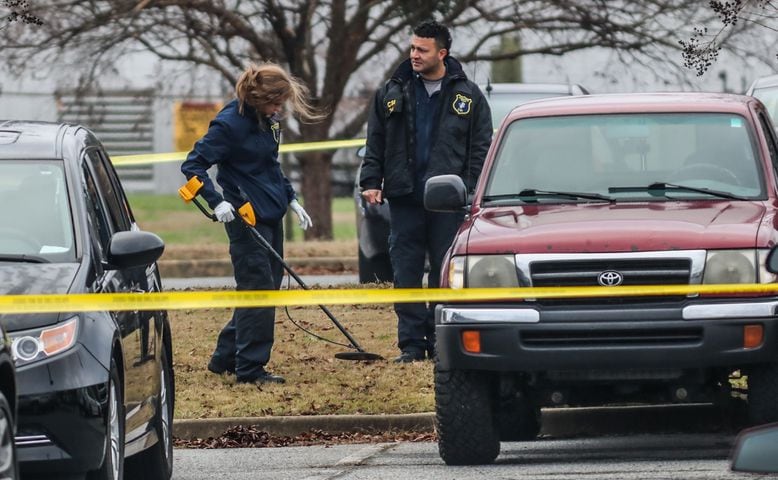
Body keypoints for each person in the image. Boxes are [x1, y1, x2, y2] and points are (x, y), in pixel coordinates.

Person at [359, 20, 493, 363]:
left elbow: (480, 148)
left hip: (448, 202)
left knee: (444, 273)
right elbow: (376, 140)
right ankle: (411, 345)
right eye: (412, 48)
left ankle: (440, 340)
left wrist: (471, 188)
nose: (414, 55)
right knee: (405, 271)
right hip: (404, 197)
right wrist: (371, 181)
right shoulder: (393, 91)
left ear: (442, 53)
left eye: (422, 49)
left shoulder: (469, 96)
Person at [181, 63, 321, 384]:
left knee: (264, 290)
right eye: (276, 102)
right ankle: (250, 369)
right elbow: (193, 166)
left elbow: (272, 166)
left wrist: (292, 199)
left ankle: (224, 357)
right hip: (245, 219)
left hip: (272, 215)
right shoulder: (229, 125)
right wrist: (218, 202)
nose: (279, 109)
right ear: (260, 97)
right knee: (257, 293)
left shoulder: (267, 123)